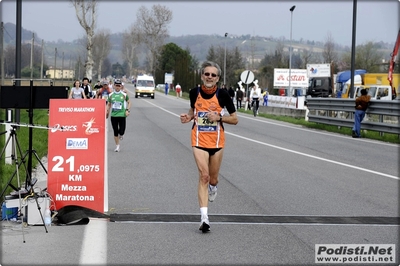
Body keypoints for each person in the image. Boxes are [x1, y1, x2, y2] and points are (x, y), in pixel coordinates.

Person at [180, 61, 238, 233]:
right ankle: (204, 218)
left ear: (217, 78)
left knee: (213, 179)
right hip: (198, 139)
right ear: (202, 76)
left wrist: (219, 118)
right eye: (207, 74)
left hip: (217, 142)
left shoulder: (223, 95)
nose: (209, 77)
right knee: (204, 176)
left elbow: (235, 119)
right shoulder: (193, 93)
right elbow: (193, 112)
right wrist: (187, 117)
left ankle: (214, 186)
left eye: (213, 75)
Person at [106, 79, 131, 152]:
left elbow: (129, 102)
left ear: (121, 86)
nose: (117, 87)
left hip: (122, 115)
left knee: (122, 131)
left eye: (119, 86)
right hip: (114, 115)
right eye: (116, 85)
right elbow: (109, 104)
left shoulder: (124, 94)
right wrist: (107, 112)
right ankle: (117, 146)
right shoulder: (110, 95)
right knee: (115, 131)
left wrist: (127, 110)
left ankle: (121, 134)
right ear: (114, 86)